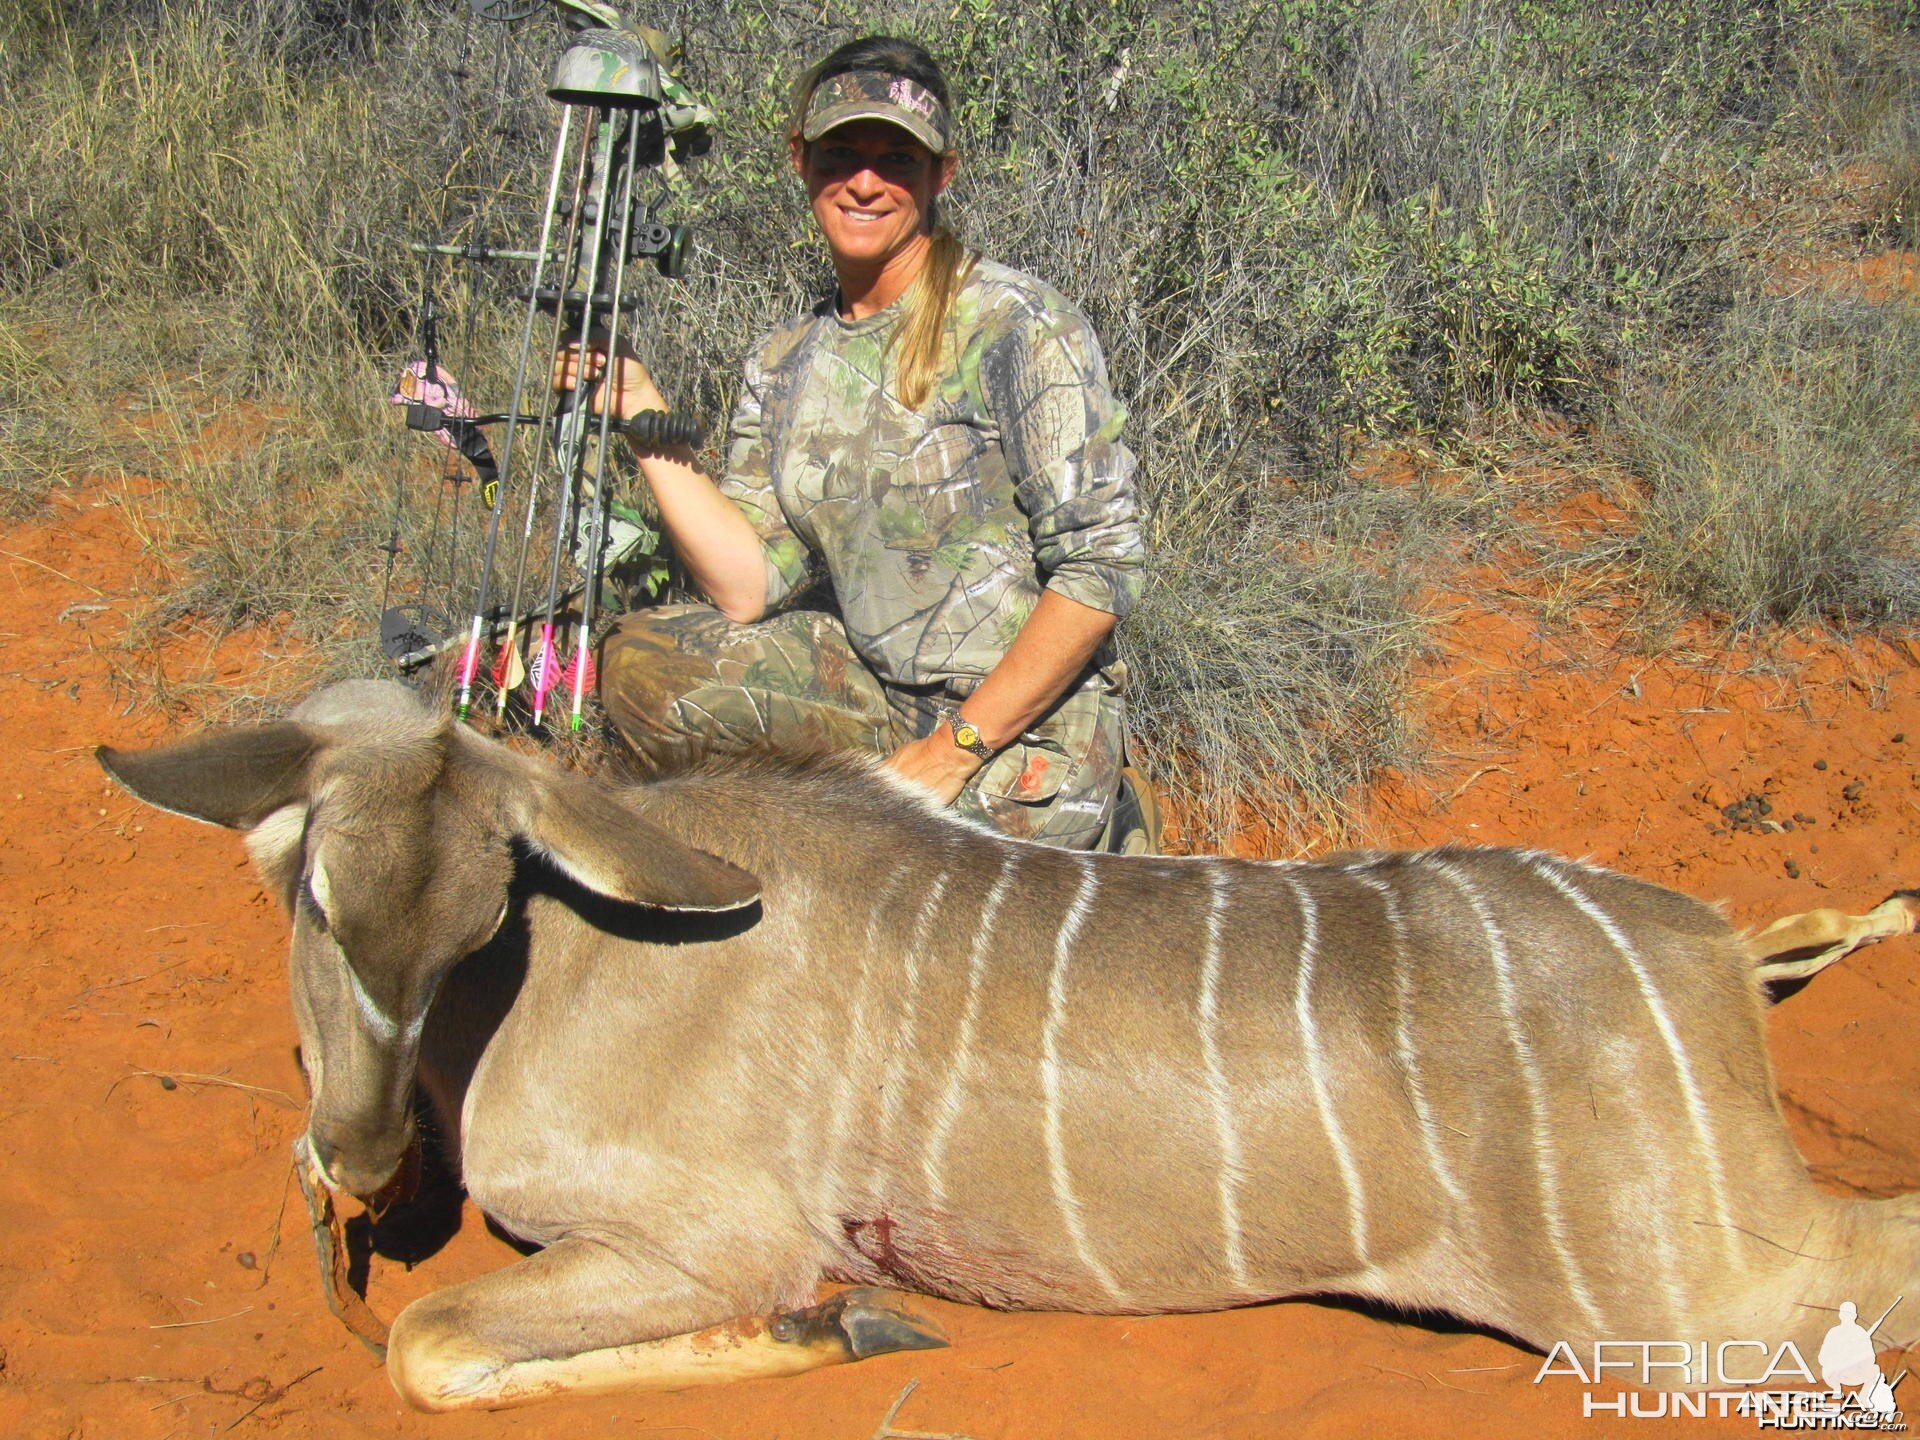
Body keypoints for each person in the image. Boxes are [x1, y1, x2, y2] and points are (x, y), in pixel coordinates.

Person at [555, 35, 1149, 851]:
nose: (865, 182)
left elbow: (1101, 569)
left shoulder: (1018, 326)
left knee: (896, 894)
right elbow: (749, 587)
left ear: (942, 172)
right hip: (871, 686)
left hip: (1025, 723)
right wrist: (643, 417)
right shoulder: (783, 358)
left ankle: (1114, 817)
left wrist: (951, 753)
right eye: (841, 154)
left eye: (896, 159)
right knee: (647, 667)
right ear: (801, 161)